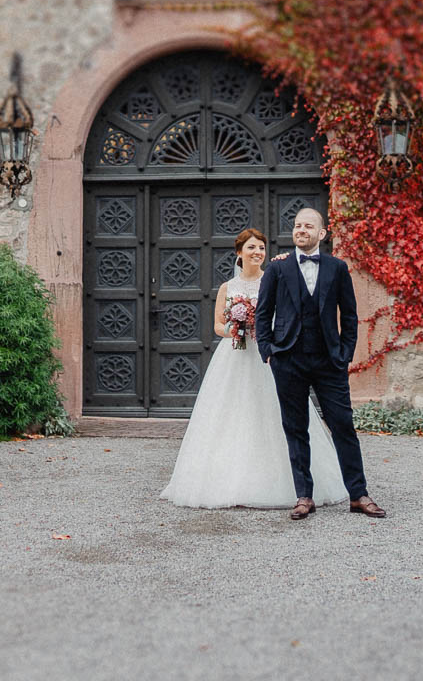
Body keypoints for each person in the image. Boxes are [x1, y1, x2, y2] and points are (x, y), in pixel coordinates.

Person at [159, 228, 347, 509]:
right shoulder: (227, 288)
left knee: (277, 412)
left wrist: (266, 332)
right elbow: (217, 326)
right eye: (251, 248)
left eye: (261, 248)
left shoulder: (277, 278)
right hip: (235, 356)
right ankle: (229, 481)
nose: (257, 252)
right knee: (231, 414)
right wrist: (237, 328)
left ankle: (294, 483)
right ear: (239, 253)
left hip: (269, 356)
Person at [255, 207, 387, 520]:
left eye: (308, 226)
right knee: (296, 428)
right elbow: (263, 313)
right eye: (298, 225)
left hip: (330, 361)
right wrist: (269, 351)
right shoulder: (278, 269)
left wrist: (344, 354)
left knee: (343, 425)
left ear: (322, 233)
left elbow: (350, 315)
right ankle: (304, 496)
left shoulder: (337, 268)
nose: (301, 230)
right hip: (288, 359)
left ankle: (358, 494)